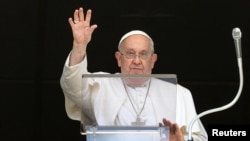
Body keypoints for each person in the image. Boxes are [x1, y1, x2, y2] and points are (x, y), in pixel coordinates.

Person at [60, 7, 208, 141]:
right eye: (130, 54)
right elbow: (72, 86)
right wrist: (79, 46)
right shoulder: (100, 85)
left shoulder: (179, 93)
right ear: (119, 59)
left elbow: (199, 137)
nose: (137, 61)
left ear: (153, 60)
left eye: (143, 54)